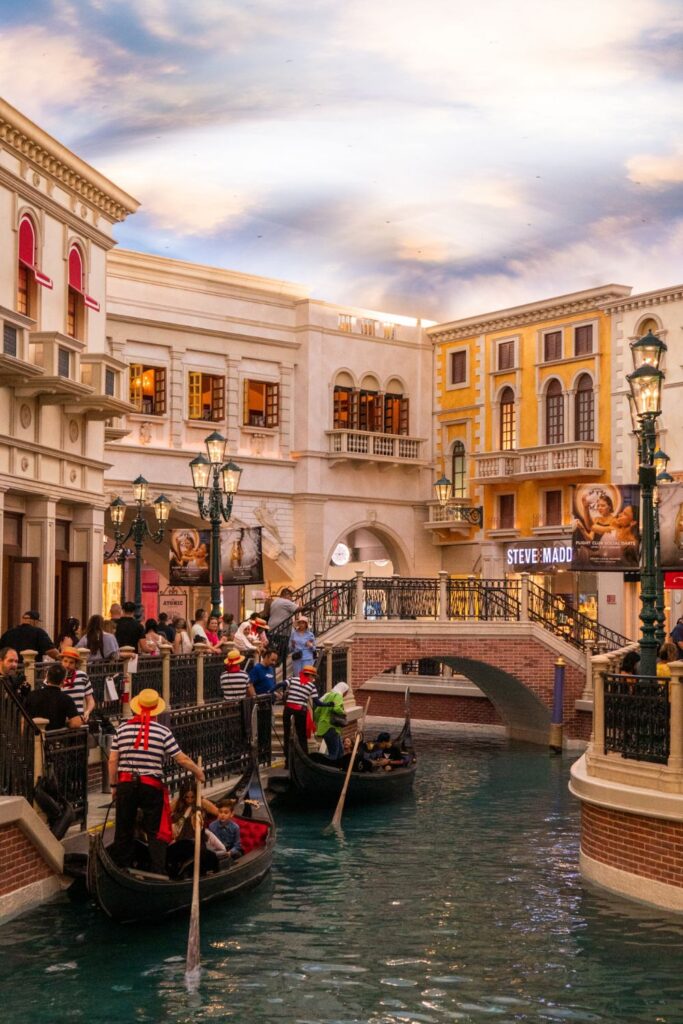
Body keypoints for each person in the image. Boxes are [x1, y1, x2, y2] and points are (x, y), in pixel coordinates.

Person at [108, 687, 204, 874]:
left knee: (124, 828)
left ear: (136, 708)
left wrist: (113, 786)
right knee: (155, 831)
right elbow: (181, 758)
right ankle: (157, 872)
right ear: (155, 710)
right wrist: (198, 772)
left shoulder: (122, 729)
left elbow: (112, 760)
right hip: (151, 787)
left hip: (126, 784)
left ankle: (122, 868)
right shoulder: (162, 731)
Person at [283, 664, 323, 764]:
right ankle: (304, 760)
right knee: (302, 736)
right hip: (300, 711)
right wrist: (328, 705)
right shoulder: (311, 686)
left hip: (288, 709)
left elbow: (282, 684)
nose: (313, 679)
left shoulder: (294, 679)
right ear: (309, 675)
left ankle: (288, 761)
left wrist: (271, 691)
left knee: (287, 735)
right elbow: (317, 702)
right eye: (313, 676)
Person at [23, 664, 83, 730]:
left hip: (33, 737)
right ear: (63, 681)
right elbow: (76, 723)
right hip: (55, 738)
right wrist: (66, 723)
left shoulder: (32, 695)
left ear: (47, 677)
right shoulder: (66, 699)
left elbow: (23, 720)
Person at [313, 681, 348, 760]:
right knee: (334, 754)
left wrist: (318, 722)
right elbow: (336, 708)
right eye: (346, 692)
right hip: (331, 727)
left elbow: (316, 712)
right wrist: (344, 713)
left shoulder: (327, 695)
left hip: (324, 727)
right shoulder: (338, 696)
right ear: (344, 690)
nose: (346, 694)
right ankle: (331, 769)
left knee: (340, 752)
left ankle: (339, 768)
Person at [59, 647, 95, 722]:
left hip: (78, 720)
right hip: (60, 721)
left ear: (76, 664)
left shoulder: (83, 676)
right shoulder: (54, 676)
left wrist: (87, 712)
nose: (67, 665)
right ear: (61, 661)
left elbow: (90, 700)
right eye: (65, 661)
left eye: (71, 662)